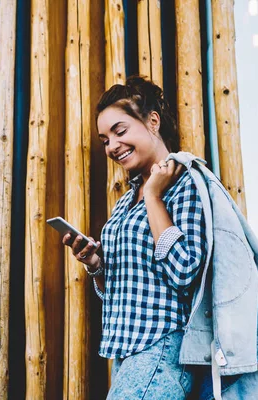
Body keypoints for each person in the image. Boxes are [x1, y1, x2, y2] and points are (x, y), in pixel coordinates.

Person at [62, 76, 206, 399]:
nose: (111, 146)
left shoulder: (187, 184)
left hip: (163, 349)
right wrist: (96, 264)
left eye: (120, 131)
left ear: (152, 121)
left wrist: (154, 198)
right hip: (127, 357)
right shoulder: (125, 203)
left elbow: (185, 272)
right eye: (104, 140)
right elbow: (123, 288)